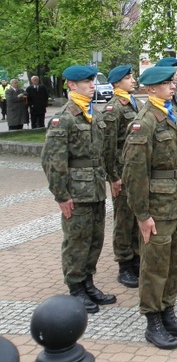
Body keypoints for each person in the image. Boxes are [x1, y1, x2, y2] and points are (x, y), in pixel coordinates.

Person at [121, 66, 177, 350]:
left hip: (176, 204)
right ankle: (153, 321)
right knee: (154, 267)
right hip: (156, 207)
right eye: (166, 84)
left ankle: (169, 312)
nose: (173, 87)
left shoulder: (169, 114)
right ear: (151, 88)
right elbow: (134, 174)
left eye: (172, 83)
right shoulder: (145, 123)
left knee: (175, 264)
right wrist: (142, 215)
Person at [41, 65, 116, 315]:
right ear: (72, 85)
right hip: (77, 190)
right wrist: (61, 195)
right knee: (77, 240)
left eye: (92, 81)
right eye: (86, 82)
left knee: (95, 238)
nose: (92, 85)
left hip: (94, 188)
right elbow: (53, 160)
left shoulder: (90, 112)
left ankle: (88, 282)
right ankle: (75, 287)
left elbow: (102, 153)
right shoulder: (64, 116)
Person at [102, 65, 141, 289]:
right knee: (124, 220)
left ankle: (136, 258)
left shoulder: (133, 103)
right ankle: (124, 264)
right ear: (117, 84)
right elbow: (108, 147)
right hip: (122, 172)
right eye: (128, 78)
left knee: (136, 217)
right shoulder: (113, 108)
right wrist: (113, 176)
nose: (133, 80)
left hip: (135, 172)